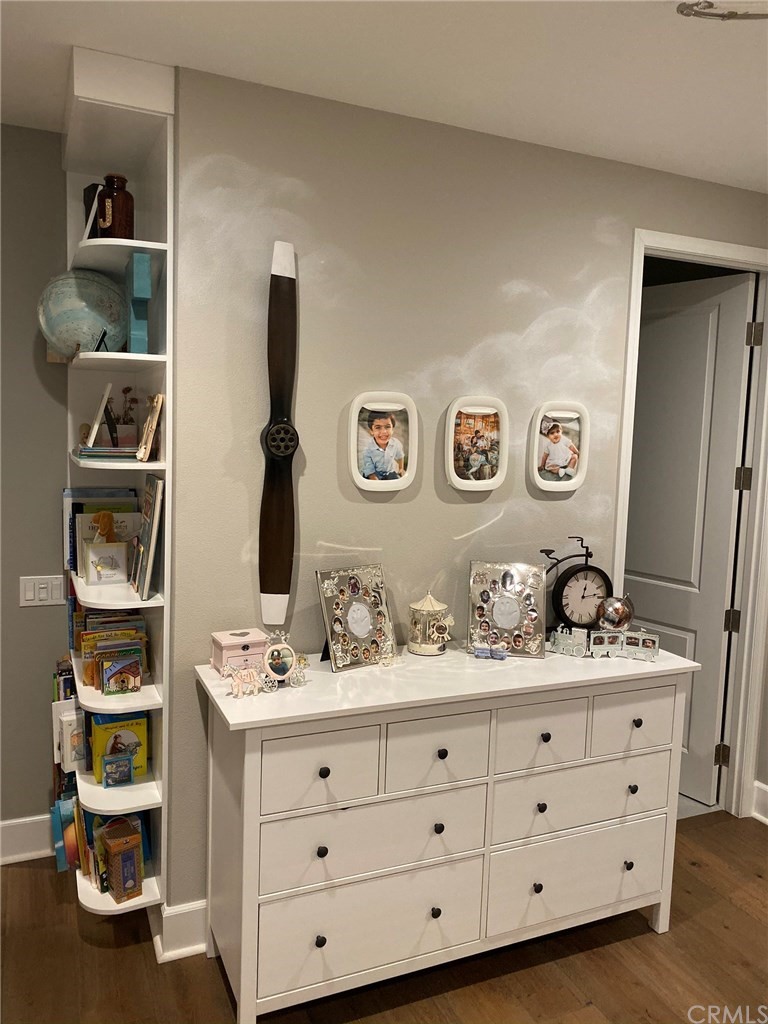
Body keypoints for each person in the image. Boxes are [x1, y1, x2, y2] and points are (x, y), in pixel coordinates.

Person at [361, 411, 404, 480]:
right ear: (371, 431)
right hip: (373, 474)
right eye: (378, 427)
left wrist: (401, 469)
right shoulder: (367, 448)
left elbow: (400, 456)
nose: (384, 432)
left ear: (392, 429)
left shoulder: (396, 443)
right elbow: (369, 470)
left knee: (397, 479)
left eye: (387, 427)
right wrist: (379, 485)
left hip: (388, 472)